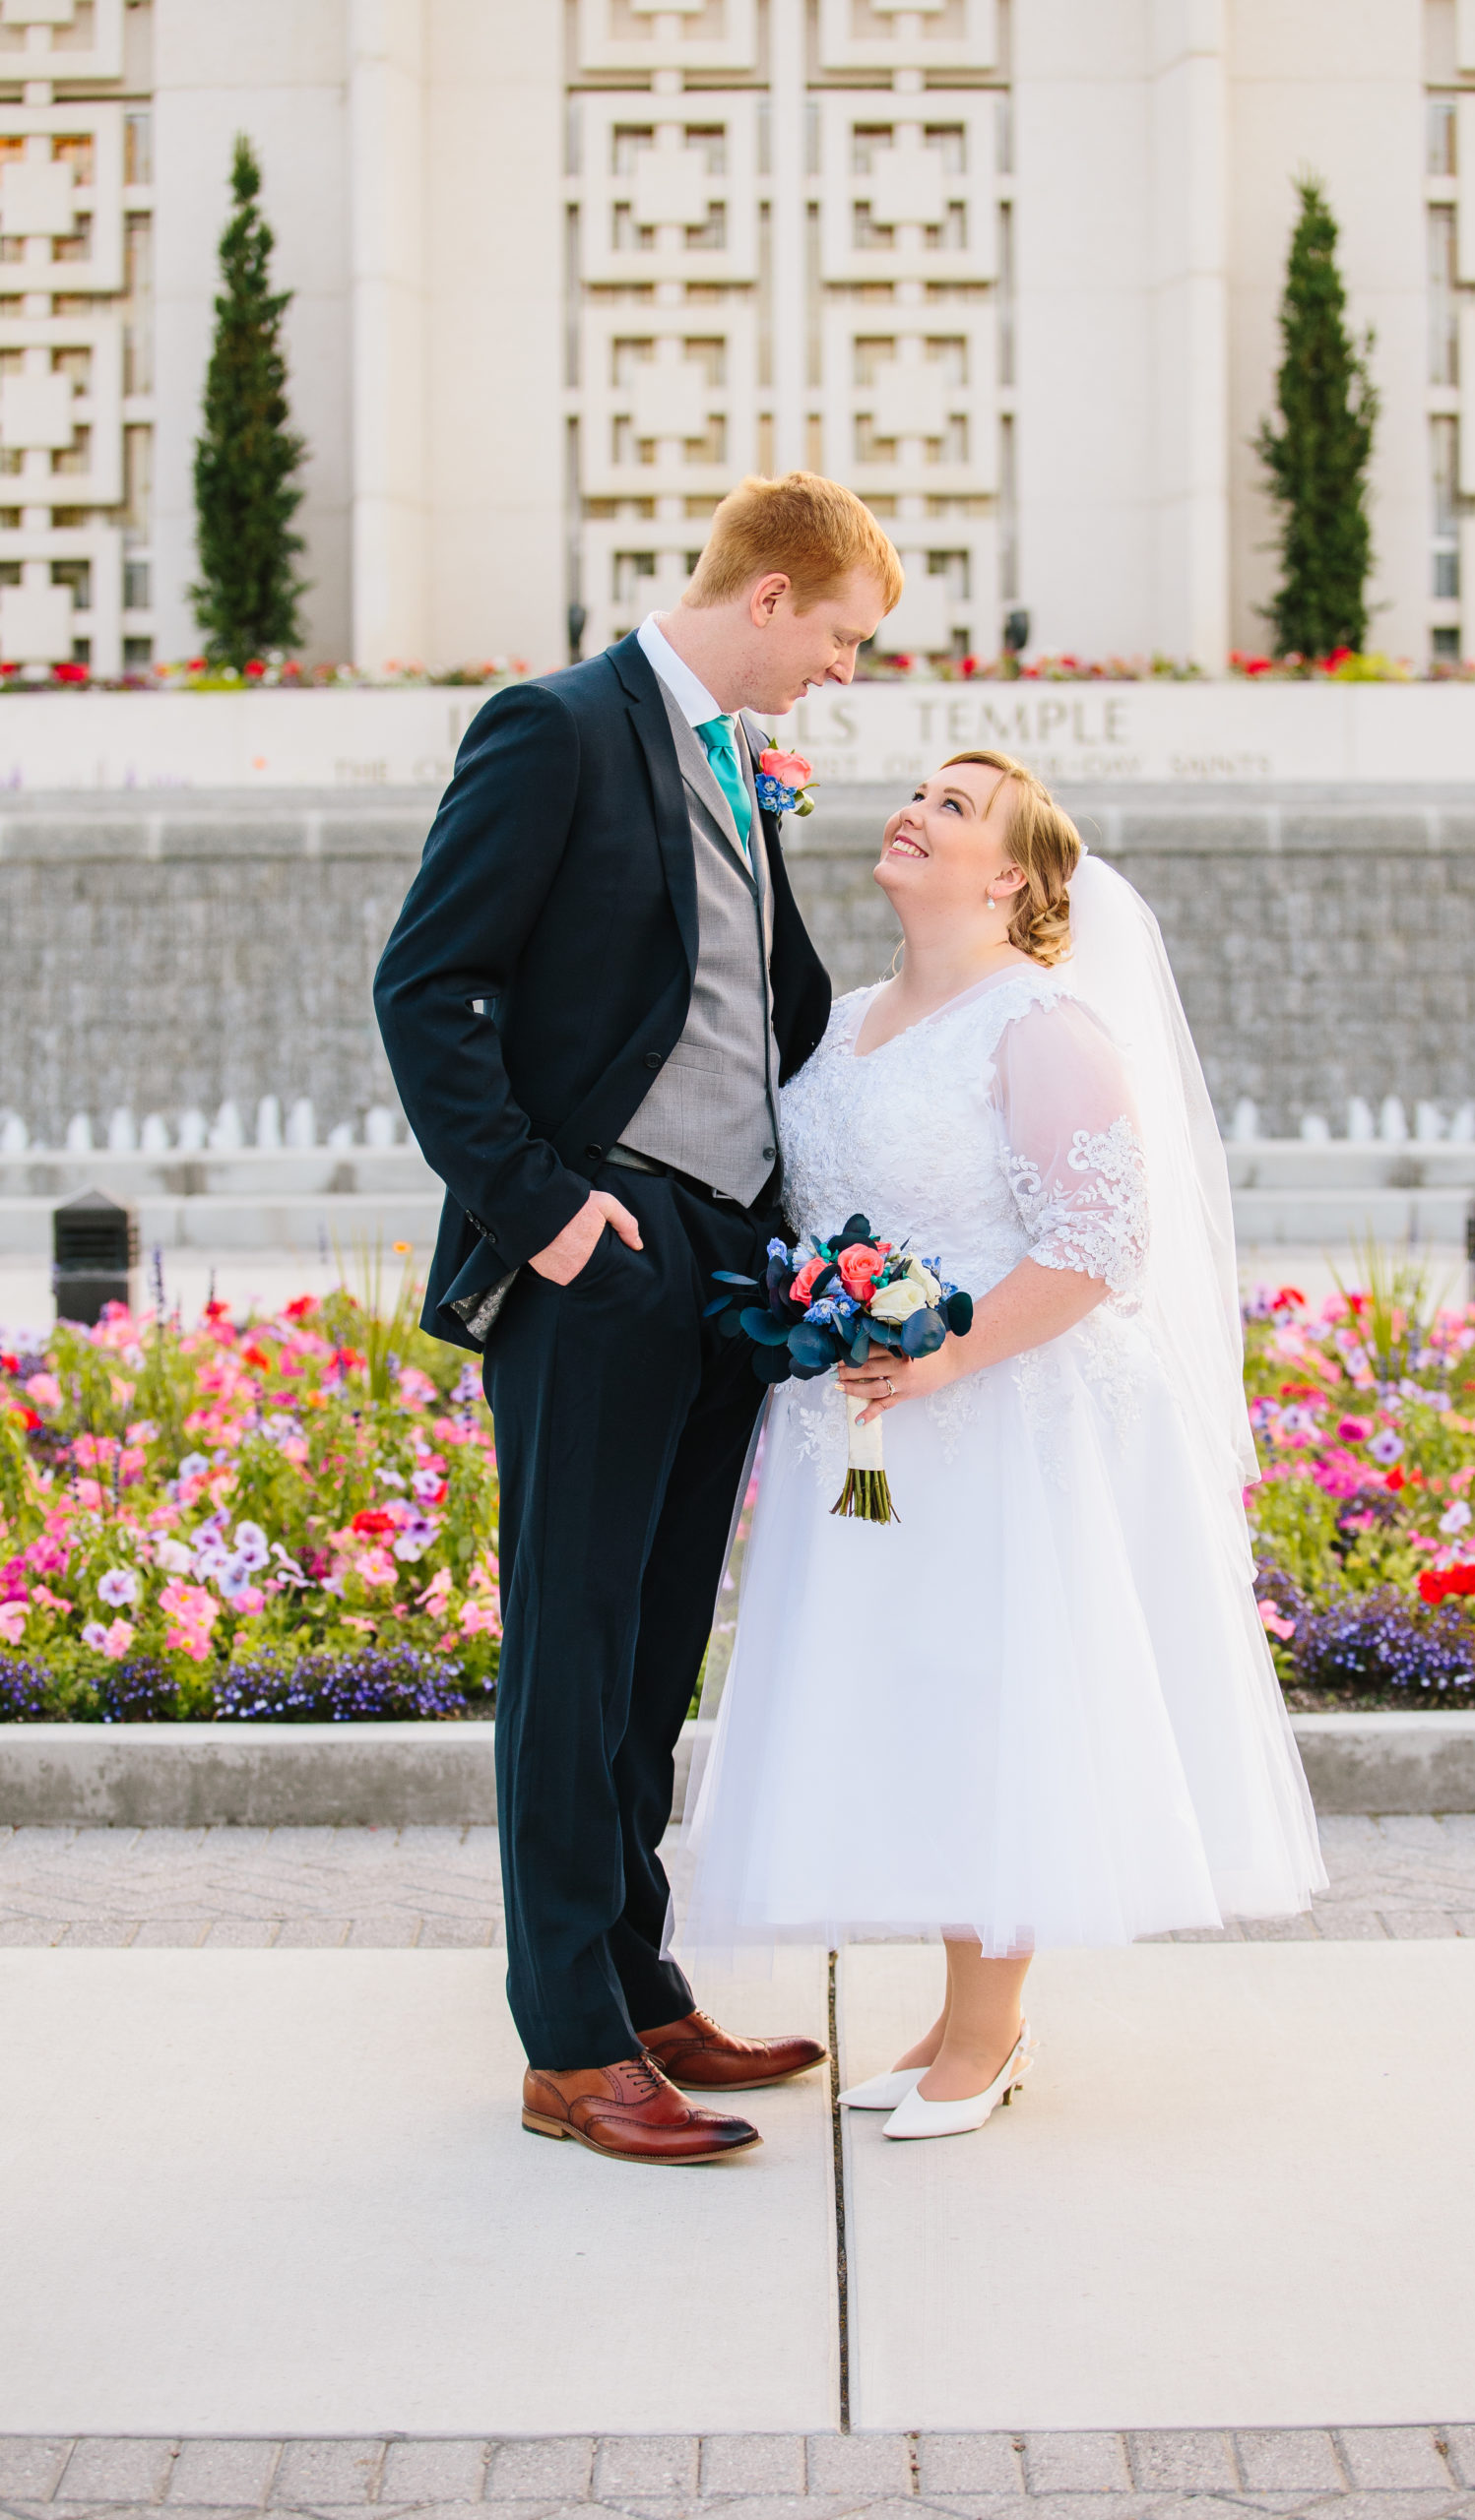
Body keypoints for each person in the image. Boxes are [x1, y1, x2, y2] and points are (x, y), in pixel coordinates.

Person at [682, 749, 1328, 2140]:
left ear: (1017, 879)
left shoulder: (1044, 1027)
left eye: (957, 808)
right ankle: (953, 2019)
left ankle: (992, 2033)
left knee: (995, 1697)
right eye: (919, 792)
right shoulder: (847, 1020)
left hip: (1002, 1420)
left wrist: (952, 1349)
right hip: (864, 1431)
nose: (916, 810)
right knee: (918, 1694)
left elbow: (1101, 1247)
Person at [373, 473, 902, 2164]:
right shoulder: (554, 730)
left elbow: (771, 1009)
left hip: (731, 1266)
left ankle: (642, 1983)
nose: (837, 674)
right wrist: (549, 1218)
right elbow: (428, 991)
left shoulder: (741, 765)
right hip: (602, 1250)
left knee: (658, 1649)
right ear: (767, 598)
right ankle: (569, 2044)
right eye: (838, 638)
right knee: (574, 1647)